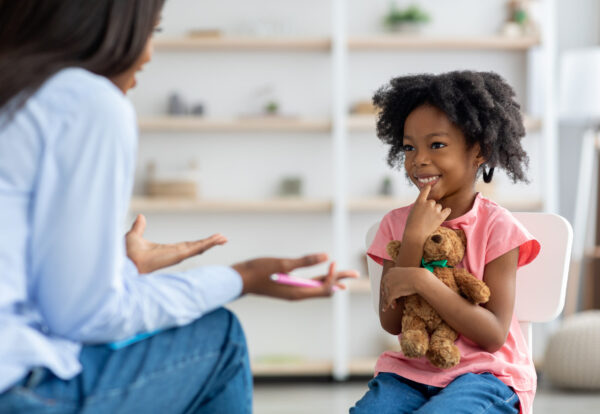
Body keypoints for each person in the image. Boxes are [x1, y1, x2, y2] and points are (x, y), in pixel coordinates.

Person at [0, 1, 357, 413]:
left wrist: (123, 268)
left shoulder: (16, 94)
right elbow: (85, 318)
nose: (149, 53)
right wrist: (242, 277)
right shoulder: (84, 100)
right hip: (14, 391)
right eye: (152, 31)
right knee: (218, 337)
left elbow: (35, 285)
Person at [350, 71, 541, 414]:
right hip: (411, 373)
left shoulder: (498, 227)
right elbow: (392, 322)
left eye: (436, 145)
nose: (419, 159)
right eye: (410, 147)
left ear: (479, 151)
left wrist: (423, 280)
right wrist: (412, 239)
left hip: (487, 374)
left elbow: (494, 334)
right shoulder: (395, 224)